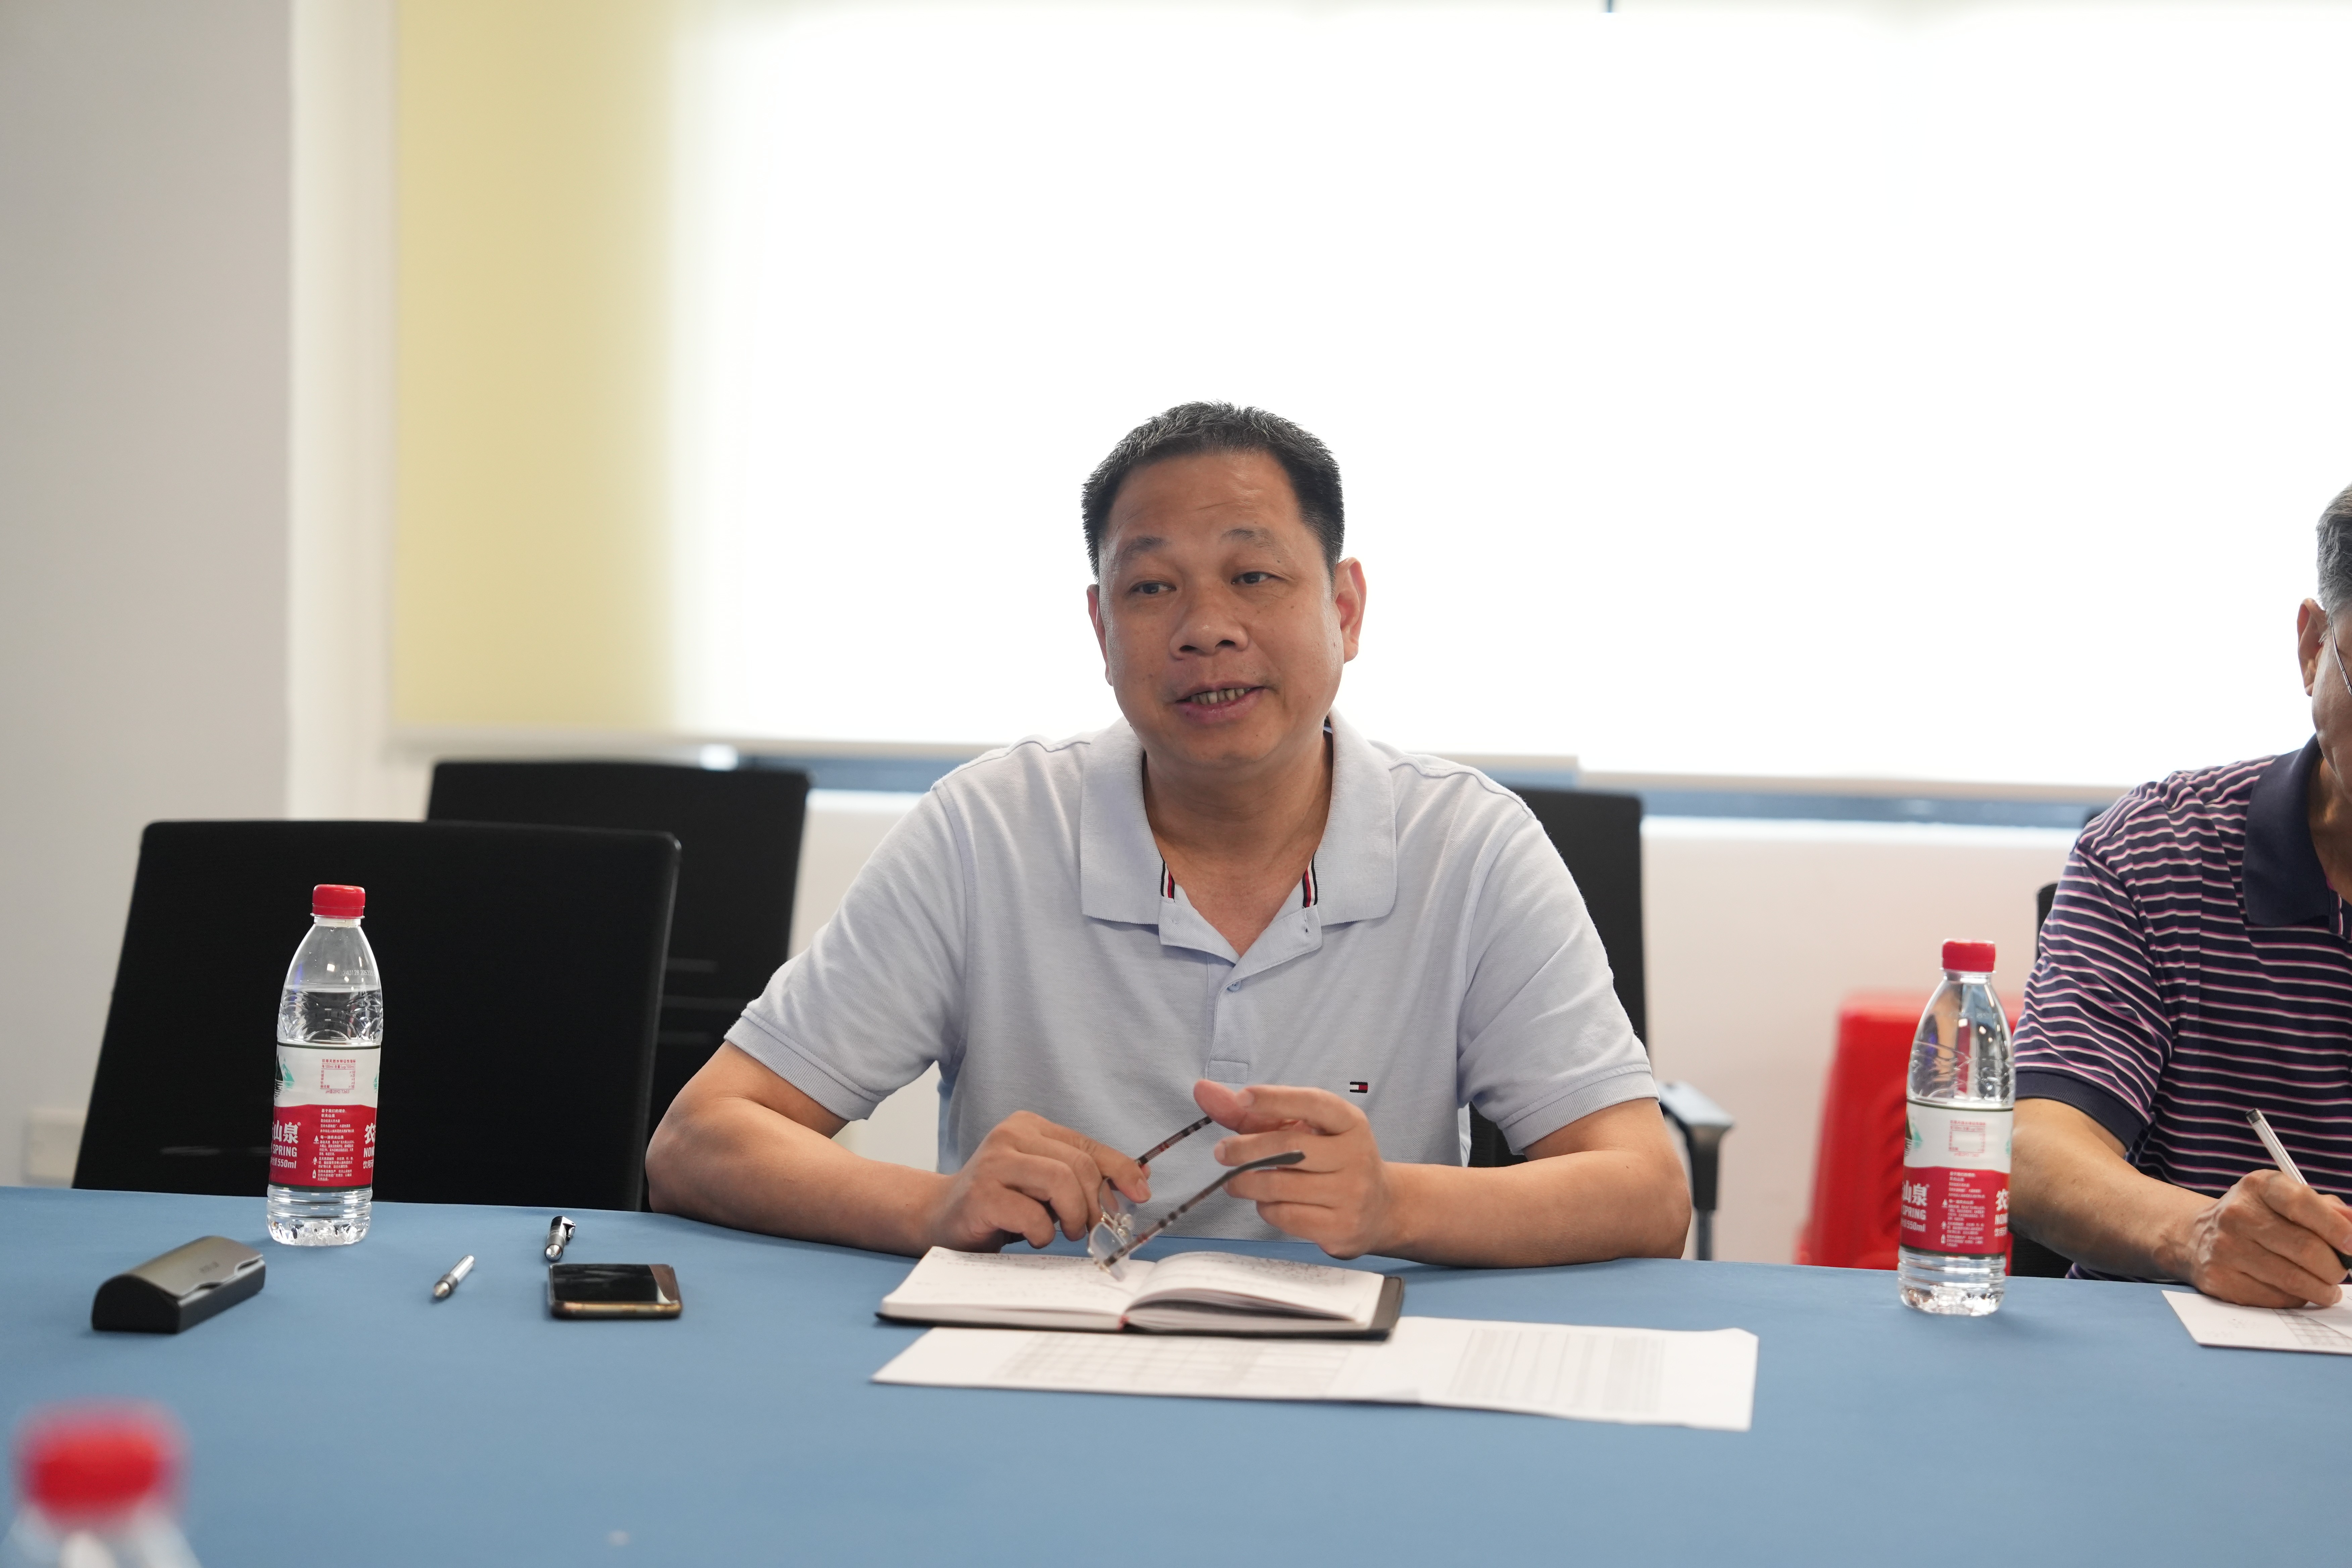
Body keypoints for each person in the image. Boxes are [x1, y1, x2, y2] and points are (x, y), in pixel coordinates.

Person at [646, 402, 1690, 1266]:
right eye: (1151, 588)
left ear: (1345, 608)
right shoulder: (988, 829)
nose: (1205, 628)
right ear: (1101, 628)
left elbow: (1646, 1190)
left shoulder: (1472, 845)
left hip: (1360, 1382)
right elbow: (698, 1140)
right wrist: (932, 1205)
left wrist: (1395, 1205)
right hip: (1032, 1376)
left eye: (1253, 577)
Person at [2012, 483, 2352, 1307]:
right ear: (2313, 648)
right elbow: (2034, 1148)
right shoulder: (2159, 851)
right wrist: (2198, 1233)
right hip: (2183, 1355)